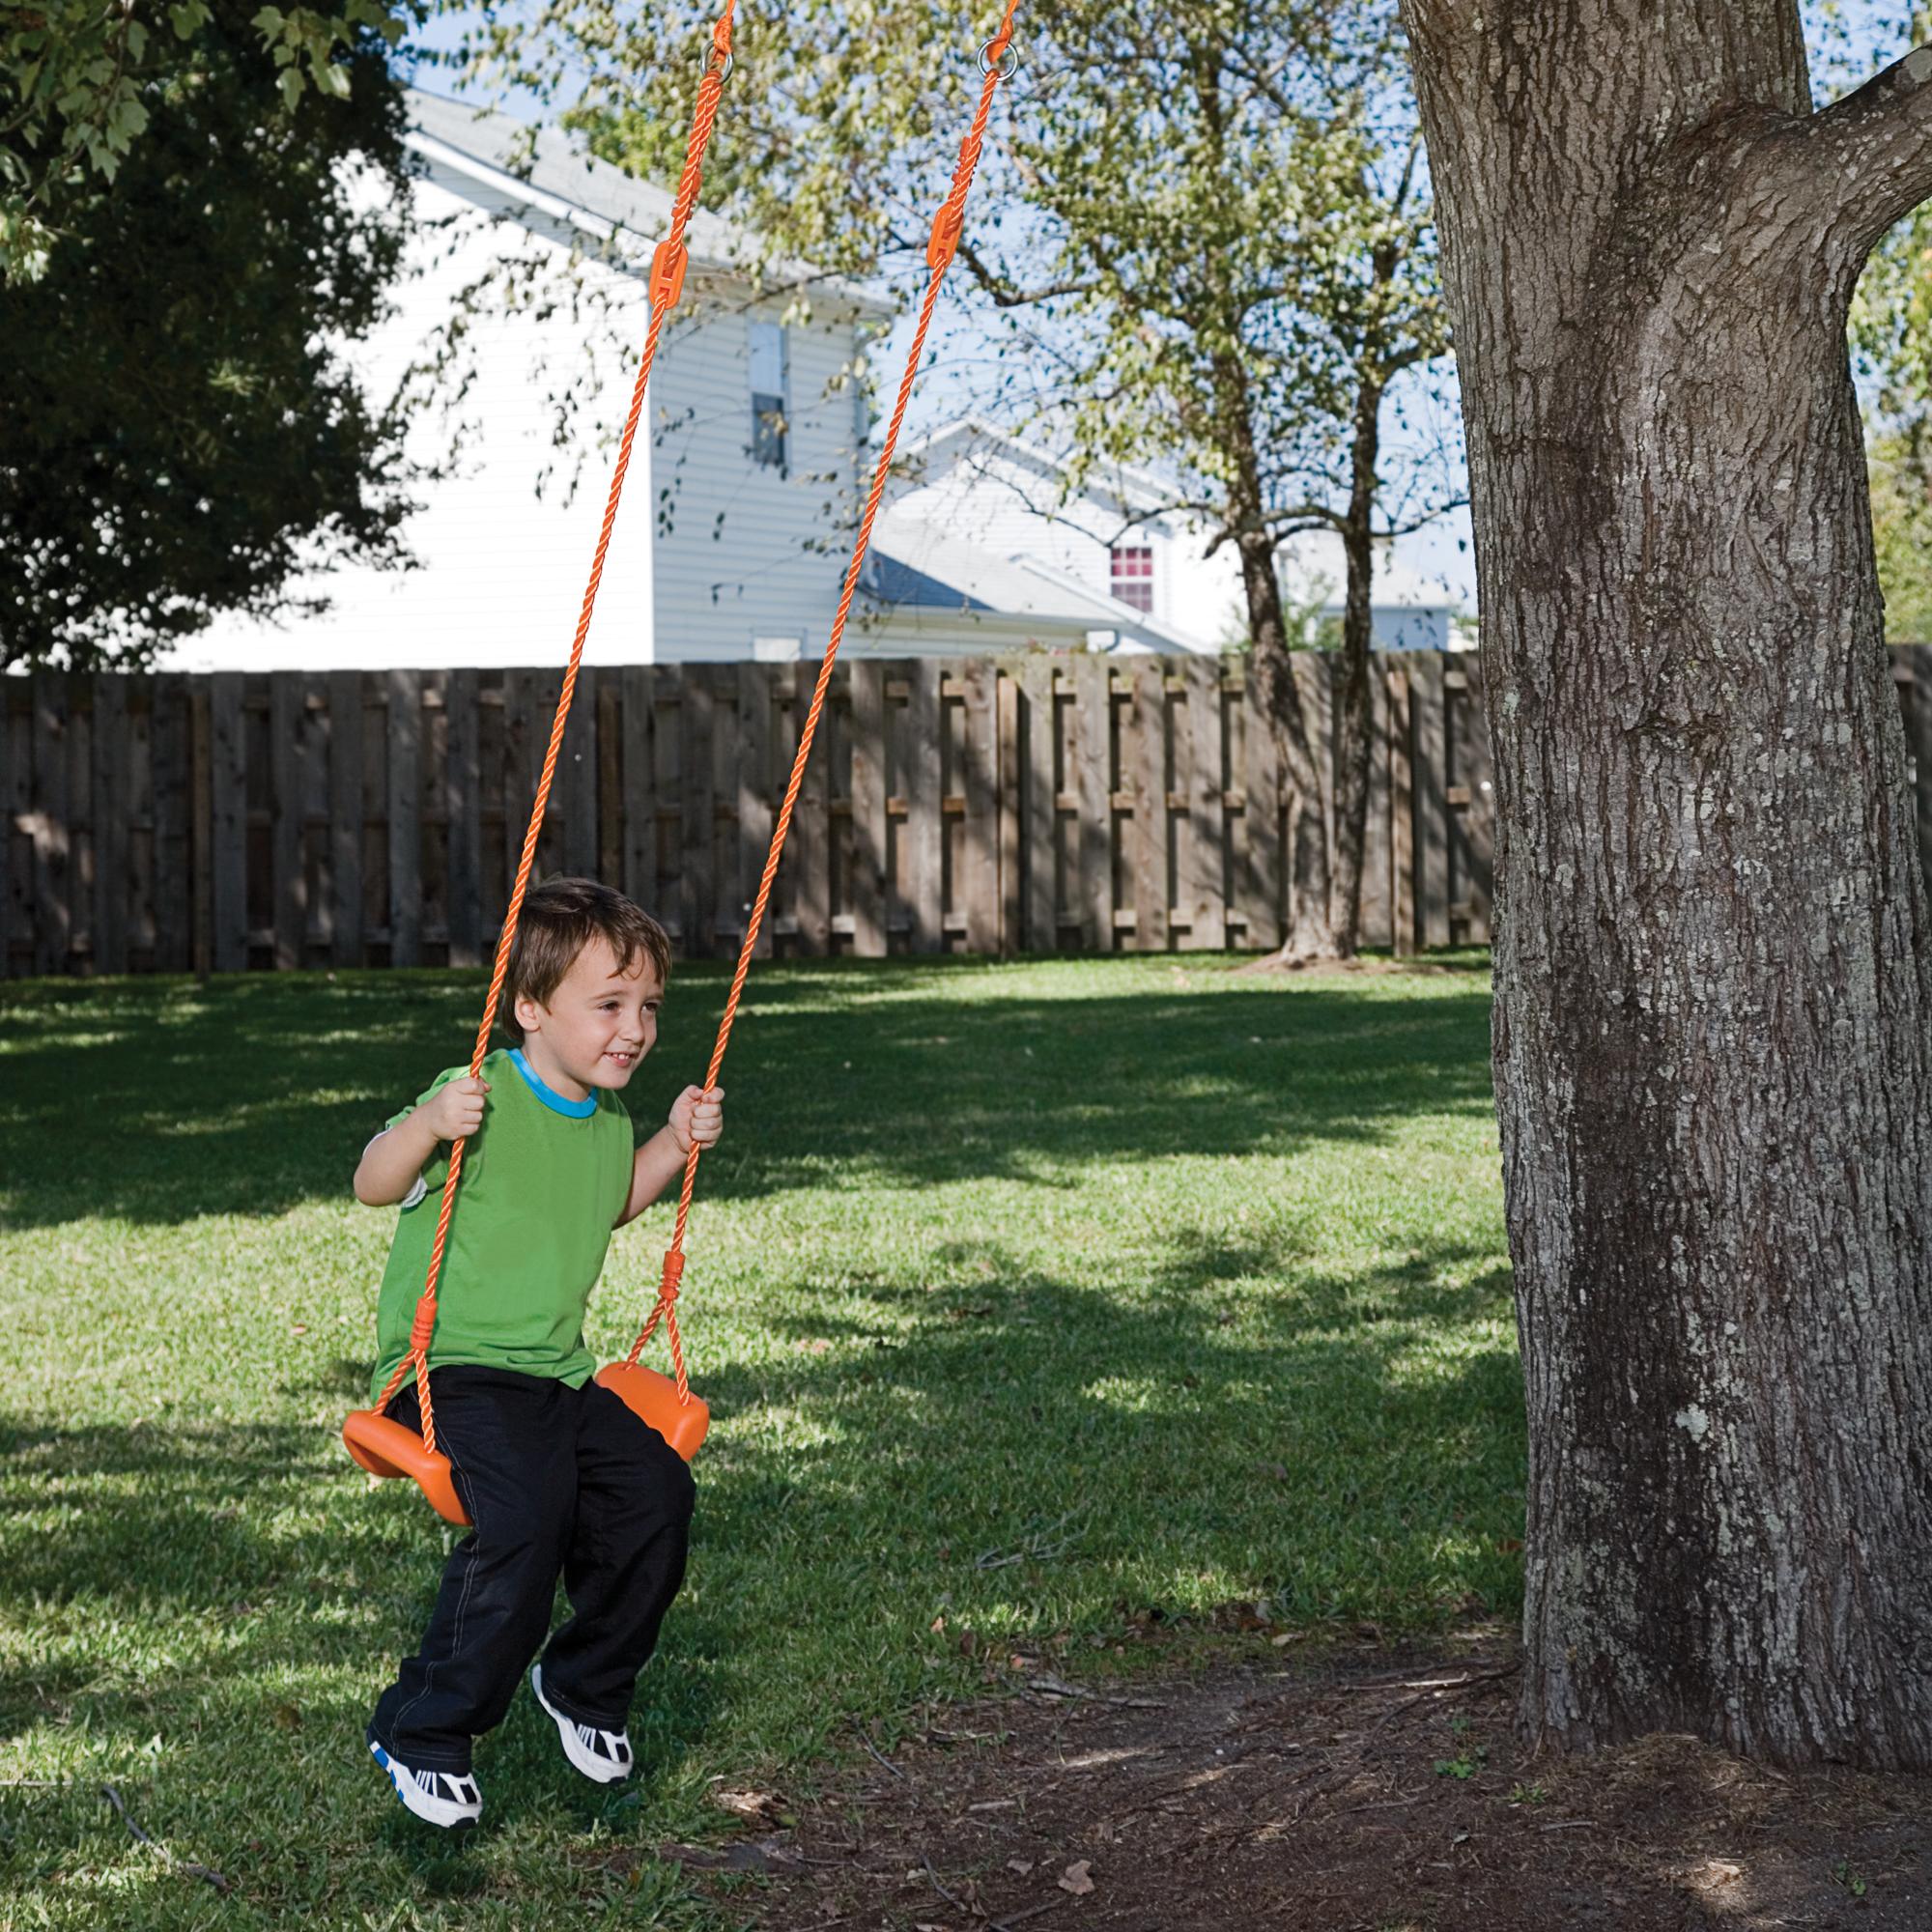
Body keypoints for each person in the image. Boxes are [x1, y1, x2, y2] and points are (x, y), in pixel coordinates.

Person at [353, 876, 723, 1828]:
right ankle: (424, 1724)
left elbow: (610, 1200)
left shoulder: (601, 1122)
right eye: (608, 1004)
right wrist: (428, 1126)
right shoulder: (478, 1092)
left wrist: (672, 1142)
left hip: (554, 1376)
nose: (633, 1027)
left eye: (647, 1006)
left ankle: (584, 1681)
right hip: (448, 1373)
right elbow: (372, 1177)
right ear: (529, 1006)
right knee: (528, 1513)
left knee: (656, 1492)